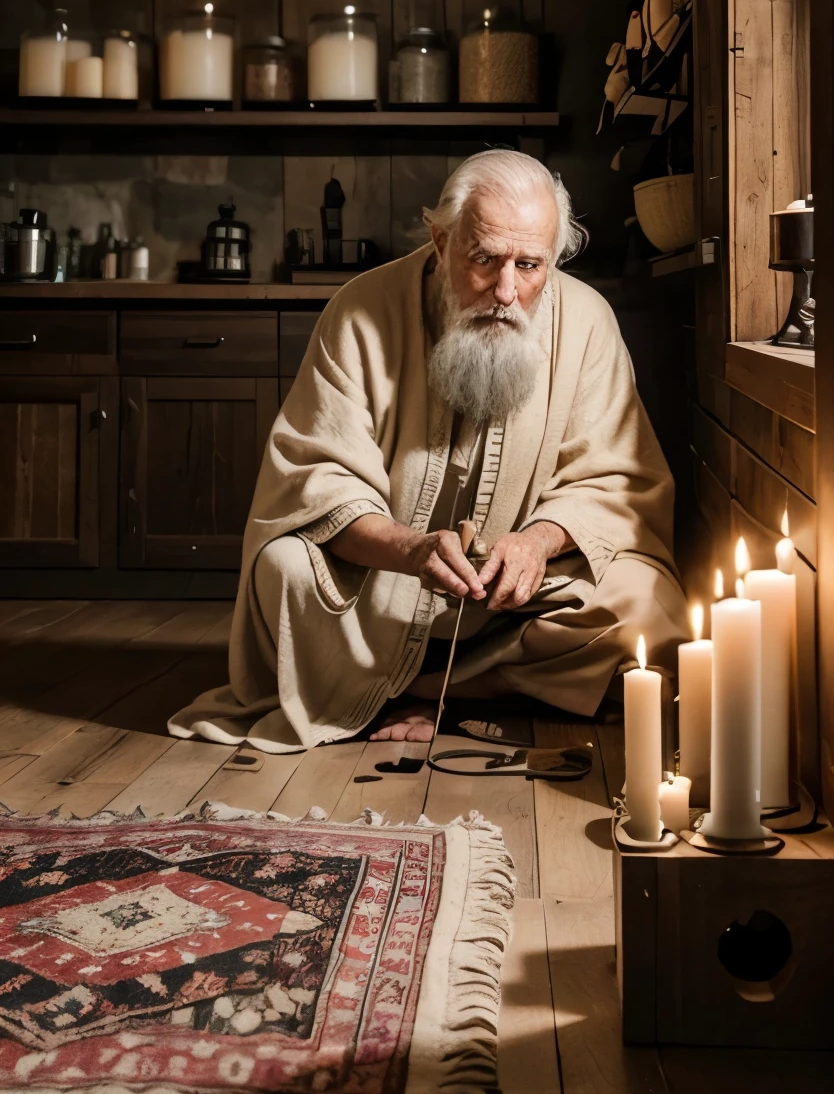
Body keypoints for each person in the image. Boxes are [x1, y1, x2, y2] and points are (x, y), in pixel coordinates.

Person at [170, 151, 687, 752]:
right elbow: (315, 480)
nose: (506, 291)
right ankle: (443, 685)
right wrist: (412, 551)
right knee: (282, 568)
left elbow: (616, 480)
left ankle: (433, 689)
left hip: (515, 605)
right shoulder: (360, 311)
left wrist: (535, 543)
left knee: (648, 603)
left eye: (530, 265)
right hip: (376, 597)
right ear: (441, 241)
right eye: (485, 259)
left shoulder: (589, 321)